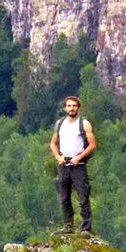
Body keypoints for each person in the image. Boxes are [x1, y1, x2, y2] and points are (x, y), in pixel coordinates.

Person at [49, 95, 96, 232]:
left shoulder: (84, 124)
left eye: (74, 106)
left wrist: (79, 157)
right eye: (69, 106)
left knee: (83, 197)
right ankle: (68, 227)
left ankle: (86, 228)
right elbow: (53, 143)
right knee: (64, 198)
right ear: (65, 108)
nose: (72, 108)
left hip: (79, 166)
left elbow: (92, 145)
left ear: (78, 108)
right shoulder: (60, 124)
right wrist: (58, 157)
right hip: (63, 165)